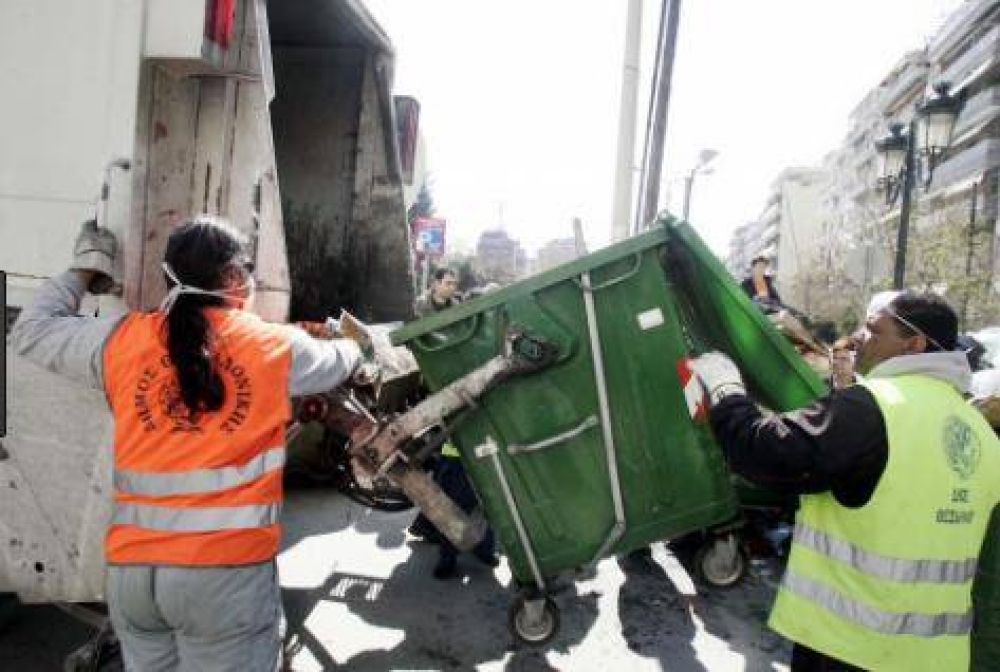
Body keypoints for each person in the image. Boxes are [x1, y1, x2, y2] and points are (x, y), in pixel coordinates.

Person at [12, 217, 365, 671]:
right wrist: (353, 343)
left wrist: (86, 269)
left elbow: (33, 330)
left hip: (134, 578)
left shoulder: (121, 340)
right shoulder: (273, 347)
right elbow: (342, 360)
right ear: (235, 279)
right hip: (223, 578)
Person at [690, 290, 1000, 671]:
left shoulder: (876, 406)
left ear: (914, 344)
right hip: (936, 659)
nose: (858, 338)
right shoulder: (980, 433)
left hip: (851, 648)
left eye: (873, 329)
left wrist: (725, 391)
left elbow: (765, 454)